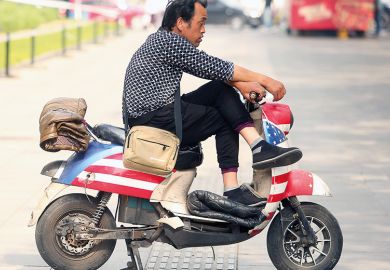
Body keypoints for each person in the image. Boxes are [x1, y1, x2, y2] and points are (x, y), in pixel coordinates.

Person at [122, 0, 302, 206]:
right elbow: (214, 66)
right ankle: (245, 170)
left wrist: (242, 86)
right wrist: (266, 80)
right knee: (225, 111)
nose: (204, 30)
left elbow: (207, 67)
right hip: (155, 123)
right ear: (181, 23)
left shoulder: (161, 40)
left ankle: (254, 154)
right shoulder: (169, 42)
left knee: (221, 94)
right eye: (201, 23)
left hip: (156, 116)